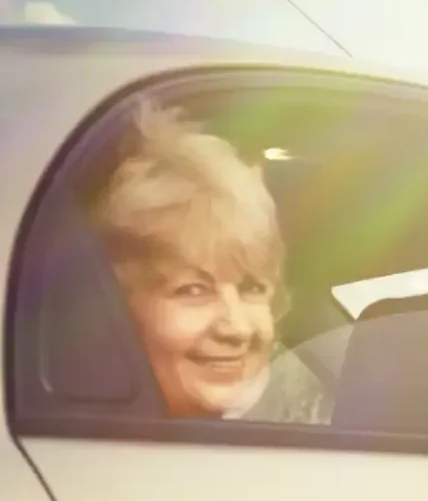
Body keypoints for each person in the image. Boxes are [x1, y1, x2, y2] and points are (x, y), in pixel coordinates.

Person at [88, 97, 325, 422]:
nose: (237, 328)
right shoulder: (81, 451)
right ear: (118, 309)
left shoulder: (307, 418)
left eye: (252, 288)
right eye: (193, 290)